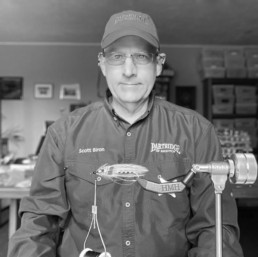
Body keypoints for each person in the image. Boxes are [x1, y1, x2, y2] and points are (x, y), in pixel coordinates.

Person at [8, 10, 243, 257]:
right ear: (102, 63)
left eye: (141, 56)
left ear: (159, 64)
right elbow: (38, 224)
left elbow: (216, 226)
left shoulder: (197, 132)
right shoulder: (62, 134)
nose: (129, 70)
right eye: (117, 56)